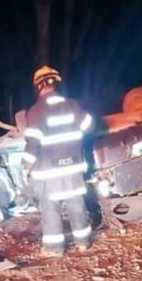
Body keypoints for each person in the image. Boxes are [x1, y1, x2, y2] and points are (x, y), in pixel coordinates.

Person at [22, 65, 94, 257]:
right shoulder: (73, 105)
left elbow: (33, 144)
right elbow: (89, 126)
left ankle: (54, 248)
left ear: (38, 87)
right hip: (73, 167)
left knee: (50, 208)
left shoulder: (36, 111)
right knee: (76, 204)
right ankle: (83, 242)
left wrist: (26, 166)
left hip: (49, 172)